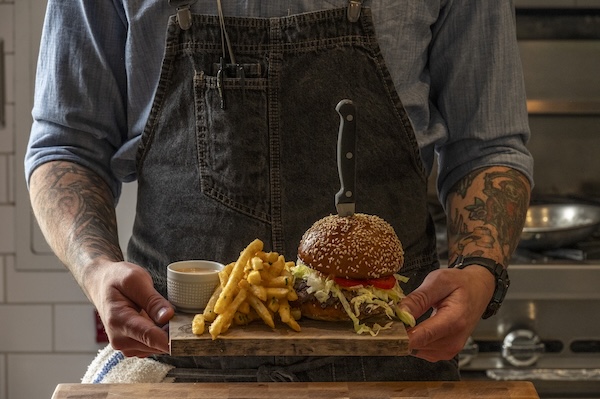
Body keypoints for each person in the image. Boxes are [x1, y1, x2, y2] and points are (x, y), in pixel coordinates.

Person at [25, 0, 533, 382]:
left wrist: (479, 270)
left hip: (395, 352)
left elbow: (489, 147)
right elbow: (66, 144)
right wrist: (96, 268)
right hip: (178, 350)